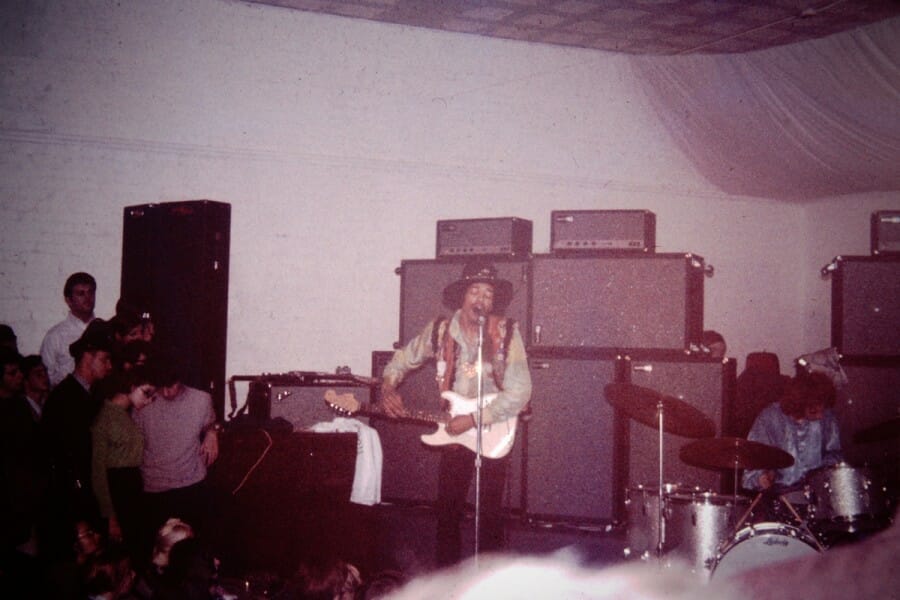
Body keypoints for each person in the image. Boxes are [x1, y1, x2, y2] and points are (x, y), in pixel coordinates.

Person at [380, 261, 532, 566]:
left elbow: (520, 391)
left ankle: (489, 585)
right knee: (447, 512)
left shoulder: (506, 332)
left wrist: (475, 419)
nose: (481, 300)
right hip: (454, 432)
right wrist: (387, 385)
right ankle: (447, 582)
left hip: (494, 429)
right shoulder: (439, 331)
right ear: (462, 296)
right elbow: (403, 358)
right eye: (475, 291)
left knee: (490, 515)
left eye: (488, 294)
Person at [41, 319, 115, 558]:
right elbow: (72, 461)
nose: (109, 366)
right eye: (105, 359)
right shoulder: (65, 399)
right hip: (74, 504)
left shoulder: (87, 396)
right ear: (87, 357)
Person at [132, 358, 219, 544]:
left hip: (190, 486)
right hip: (154, 488)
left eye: (171, 386)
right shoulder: (145, 401)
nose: (166, 392)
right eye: (162, 386)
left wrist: (212, 432)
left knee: (190, 549)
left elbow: (211, 422)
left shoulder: (201, 400)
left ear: (181, 380)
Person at [91, 367, 156, 565]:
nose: (148, 400)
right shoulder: (105, 417)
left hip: (132, 485)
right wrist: (110, 516)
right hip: (118, 488)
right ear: (131, 386)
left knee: (139, 549)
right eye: (145, 393)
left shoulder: (125, 414)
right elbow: (98, 472)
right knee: (127, 553)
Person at [742, 372, 842, 492]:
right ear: (799, 405)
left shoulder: (827, 417)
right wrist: (762, 477)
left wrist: (827, 471)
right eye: (813, 411)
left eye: (823, 409)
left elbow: (834, 454)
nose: (820, 416)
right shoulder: (770, 418)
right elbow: (752, 459)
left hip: (817, 493)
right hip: (780, 494)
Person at [41, 272, 97, 387]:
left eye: (90, 292)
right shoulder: (55, 336)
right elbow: (46, 377)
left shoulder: (104, 330)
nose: (88, 298)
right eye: (81, 294)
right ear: (68, 300)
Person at [20, 354, 50, 421]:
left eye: (45, 372)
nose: (45, 377)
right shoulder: (19, 408)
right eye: (38, 374)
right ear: (25, 380)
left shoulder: (48, 402)